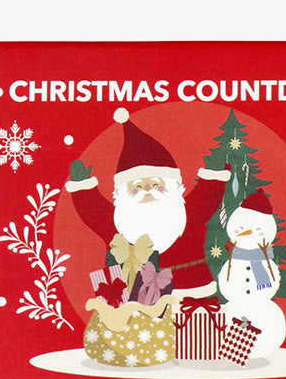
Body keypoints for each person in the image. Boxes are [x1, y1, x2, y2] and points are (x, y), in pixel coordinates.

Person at [65, 110, 230, 298]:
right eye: (137, 187)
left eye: (156, 185)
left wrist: (214, 174)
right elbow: (92, 211)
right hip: (131, 301)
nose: (147, 191)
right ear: (122, 193)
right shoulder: (116, 223)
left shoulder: (185, 214)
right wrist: (82, 187)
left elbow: (206, 198)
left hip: (188, 294)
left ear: (173, 186)